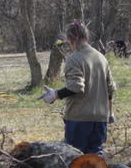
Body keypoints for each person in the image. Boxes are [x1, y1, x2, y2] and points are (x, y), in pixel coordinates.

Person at [40, 20, 116, 155]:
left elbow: (76, 87)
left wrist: (55, 95)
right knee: (96, 158)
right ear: (87, 38)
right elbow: (110, 90)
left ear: (70, 40)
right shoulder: (101, 58)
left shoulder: (74, 58)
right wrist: (110, 113)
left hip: (79, 118)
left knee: (75, 157)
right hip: (101, 117)